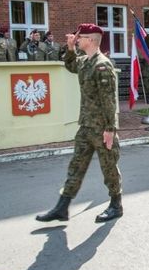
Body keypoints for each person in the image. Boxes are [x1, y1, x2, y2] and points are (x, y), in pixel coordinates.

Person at [36, 23, 123, 223]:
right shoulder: (85, 61)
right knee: (76, 165)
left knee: (109, 167)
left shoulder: (103, 65)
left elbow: (109, 100)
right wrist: (70, 47)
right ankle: (62, 207)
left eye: (80, 37)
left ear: (91, 40)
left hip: (102, 128)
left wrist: (110, 129)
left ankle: (116, 204)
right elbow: (70, 65)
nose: (78, 39)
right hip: (86, 126)